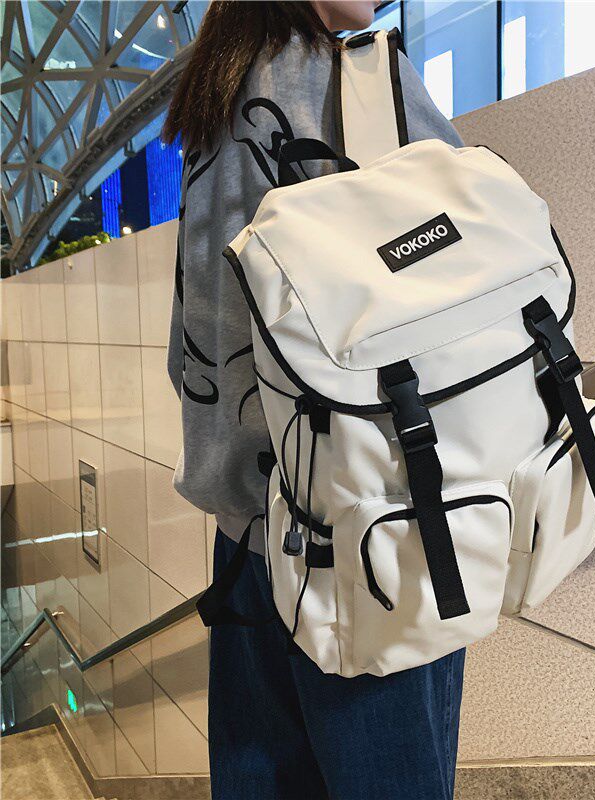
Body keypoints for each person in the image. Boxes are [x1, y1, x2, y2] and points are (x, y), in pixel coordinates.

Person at [163, 3, 466, 798]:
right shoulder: (356, 81)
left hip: (250, 540)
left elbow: (191, 353)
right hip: (368, 537)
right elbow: (476, 258)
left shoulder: (216, 91)